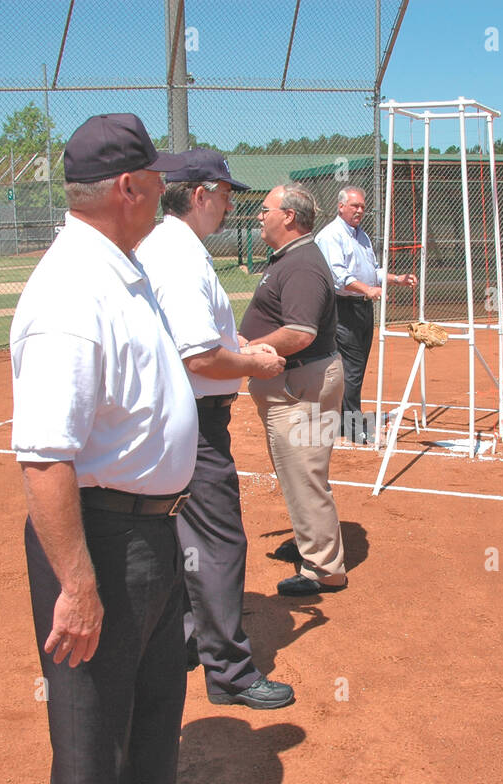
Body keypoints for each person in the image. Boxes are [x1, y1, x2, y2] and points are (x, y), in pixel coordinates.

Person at [10, 113, 227, 784]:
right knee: (91, 706)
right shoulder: (71, 292)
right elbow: (44, 456)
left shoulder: (118, 266)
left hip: (152, 529)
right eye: (157, 179)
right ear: (130, 187)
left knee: (158, 691)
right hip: (100, 533)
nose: (167, 190)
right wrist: (76, 583)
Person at [136, 149, 296, 710]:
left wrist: (238, 351)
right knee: (218, 539)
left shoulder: (172, 248)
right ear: (200, 194)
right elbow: (199, 359)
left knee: (183, 539)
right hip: (193, 422)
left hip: (177, 417)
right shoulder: (177, 255)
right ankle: (229, 671)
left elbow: (202, 348)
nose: (232, 204)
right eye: (226, 194)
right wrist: (254, 362)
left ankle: (189, 640)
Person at [240, 183, 348, 597]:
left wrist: (247, 351)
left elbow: (301, 332)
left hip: (301, 383)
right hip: (297, 383)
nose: (258, 216)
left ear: (288, 216)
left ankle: (324, 569)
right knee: (300, 472)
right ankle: (314, 545)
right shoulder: (293, 257)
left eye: (265, 209)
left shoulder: (301, 263)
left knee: (305, 473)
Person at [314, 186, 417, 444]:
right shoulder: (331, 236)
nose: (359, 210)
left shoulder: (362, 236)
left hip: (362, 307)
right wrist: (367, 289)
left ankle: (340, 420)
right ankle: (351, 426)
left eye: (362, 206)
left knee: (355, 367)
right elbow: (339, 277)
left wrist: (396, 279)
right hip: (342, 308)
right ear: (340, 207)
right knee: (352, 367)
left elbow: (373, 271)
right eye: (354, 205)